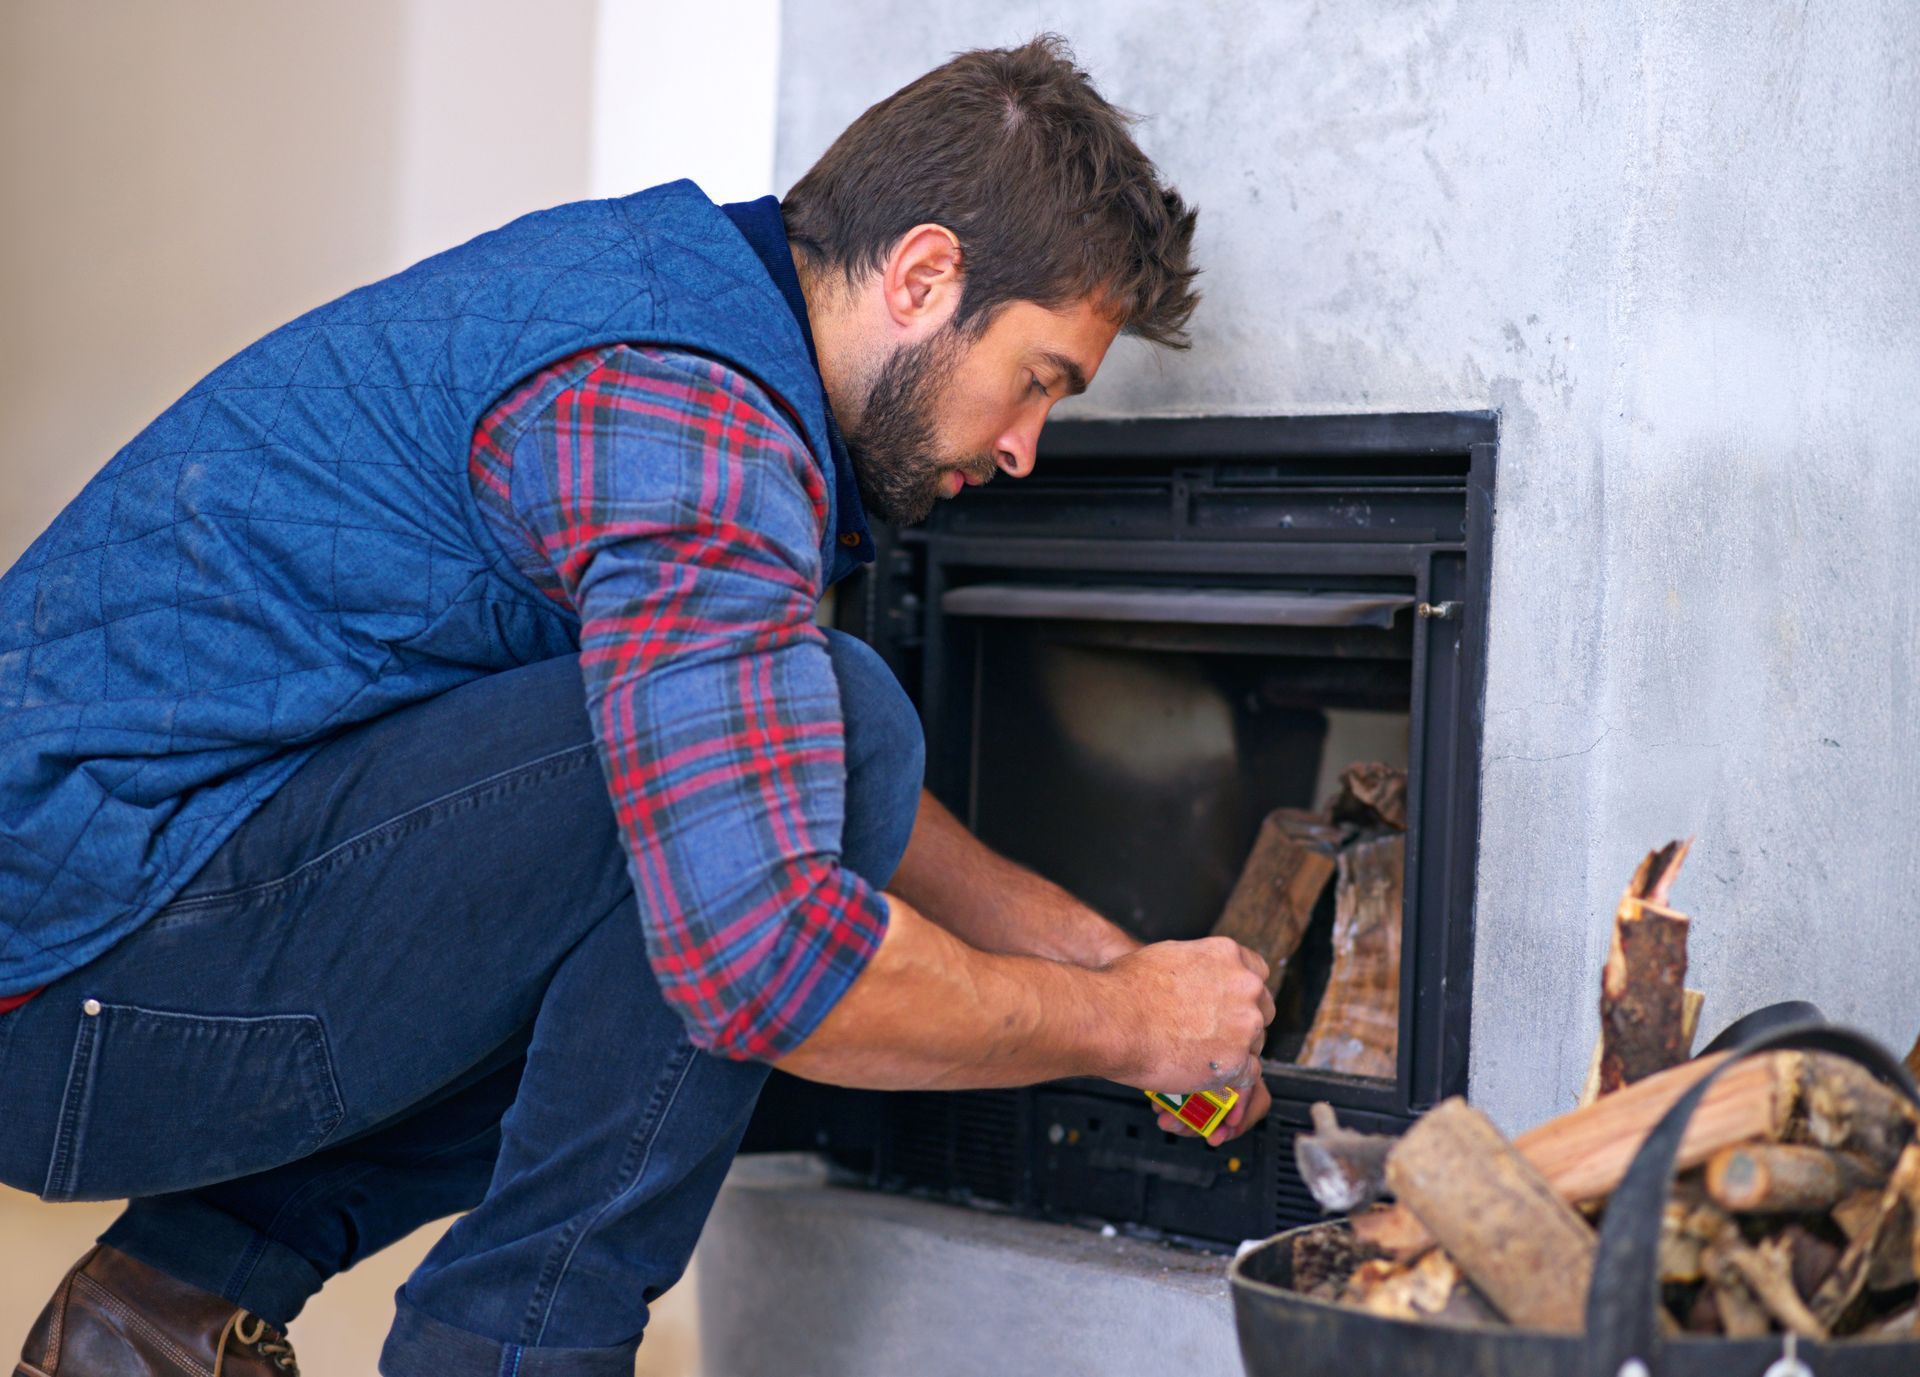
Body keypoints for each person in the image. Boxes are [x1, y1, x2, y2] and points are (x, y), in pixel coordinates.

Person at [0, 35, 1273, 1377]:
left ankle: (156, 1310)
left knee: (809, 743)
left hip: (109, 948)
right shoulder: (685, 416)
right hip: (71, 994)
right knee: (747, 843)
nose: (1025, 447)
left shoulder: (684, 315)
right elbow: (765, 964)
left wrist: (1092, 953)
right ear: (924, 275)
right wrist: (1126, 1025)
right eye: (1039, 380)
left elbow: (765, 758)